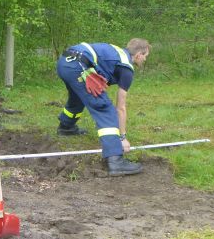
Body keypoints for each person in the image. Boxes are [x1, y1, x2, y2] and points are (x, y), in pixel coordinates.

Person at [56, 39, 151, 176]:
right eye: (145, 56)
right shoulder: (126, 68)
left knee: (77, 97)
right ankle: (115, 160)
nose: (145, 60)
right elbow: (121, 107)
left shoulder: (118, 53)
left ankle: (66, 127)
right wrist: (122, 138)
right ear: (138, 55)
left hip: (65, 61)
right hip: (78, 66)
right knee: (105, 109)